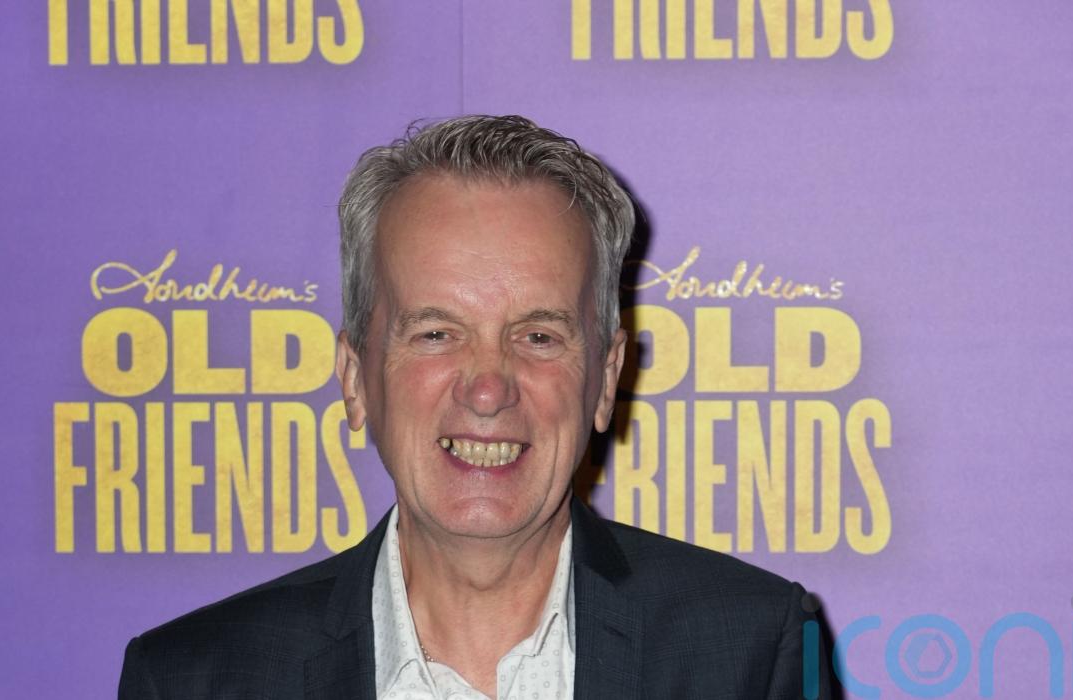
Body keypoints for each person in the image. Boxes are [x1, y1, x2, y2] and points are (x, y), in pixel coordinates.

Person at [118, 115, 832, 699]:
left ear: (606, 377)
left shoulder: (749, 655)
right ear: (355, 377)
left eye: (539, 336)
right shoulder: (193, 680)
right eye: (436, 333)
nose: (488, 389)